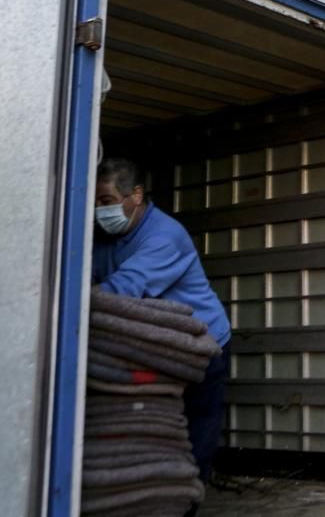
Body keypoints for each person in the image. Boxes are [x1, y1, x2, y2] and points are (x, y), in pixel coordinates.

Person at [91, 157, 231, 491]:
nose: (99, 210)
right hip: (158, 344)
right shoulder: (104, 238)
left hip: (202, 342)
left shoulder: (165, 236)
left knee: (196, 427)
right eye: (94, 202)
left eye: (106, 201)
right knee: (151, 422)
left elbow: (121, 290)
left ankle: (187, 499)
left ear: (135, 195)